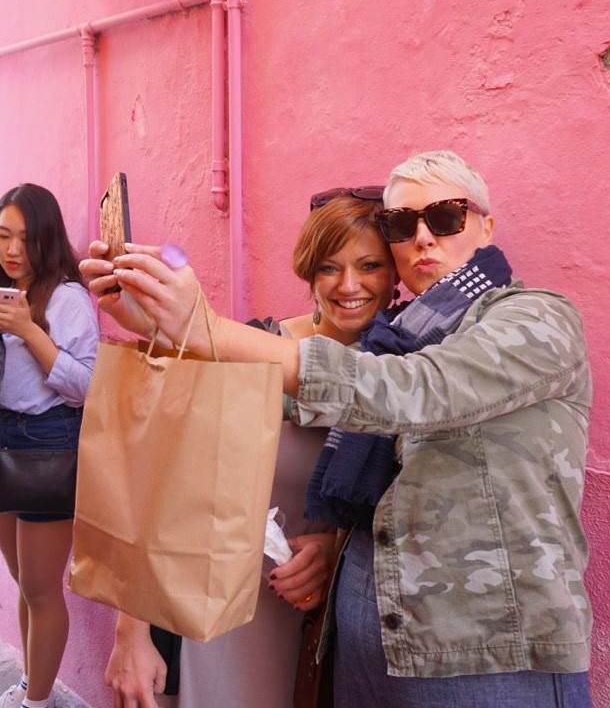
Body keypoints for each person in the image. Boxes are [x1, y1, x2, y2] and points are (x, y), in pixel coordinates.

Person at [83, 151, 594, 707]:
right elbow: (244, 402)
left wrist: (207, 329)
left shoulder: (536, 317)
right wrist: (158, 328)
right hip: (365, 646)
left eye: (446, 217)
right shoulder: (394, 340)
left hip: (488, 658)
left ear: (485, 226)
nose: (423, 238)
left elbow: (412, 390)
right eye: (402, 224)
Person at [101, 189, 396, 707]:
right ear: (309, 274)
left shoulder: (409, 376)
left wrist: (334, 548)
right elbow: (166, 484)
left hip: (324, 632)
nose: (349, 285)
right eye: (329, 267)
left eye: (369, 265)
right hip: (219, 619)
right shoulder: (252, 347)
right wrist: (132, 631)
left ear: (394, 274)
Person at [0, 184, 100, 708]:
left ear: (48, 238)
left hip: (46, 444)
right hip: (4, 438)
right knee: (23, 581)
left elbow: (88, 387)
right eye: (3, 236)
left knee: (42, 589)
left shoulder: (66, 298)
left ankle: (37, 703)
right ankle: (29, 682)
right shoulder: (3, 290)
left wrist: (29, 331)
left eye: (25, 237)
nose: (13, 250)